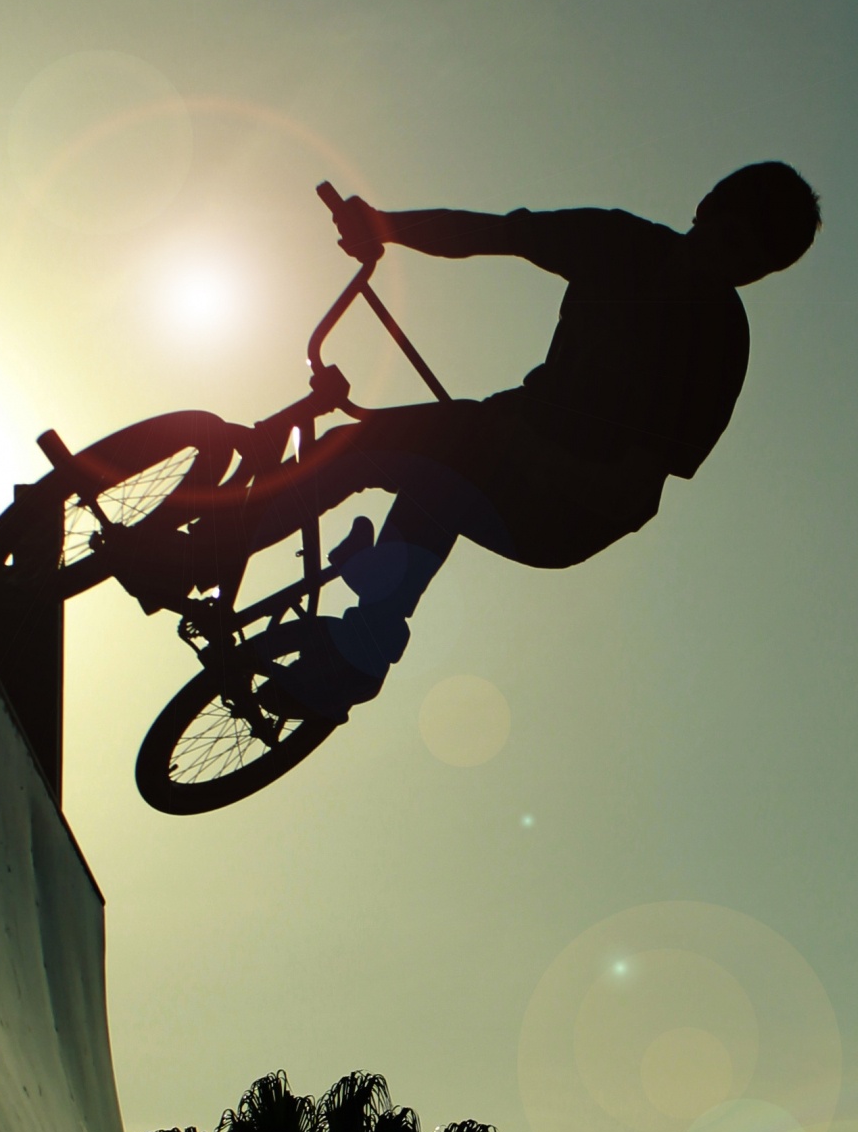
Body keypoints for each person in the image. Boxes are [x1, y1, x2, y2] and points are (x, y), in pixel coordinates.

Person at [245, 165, 821, 718]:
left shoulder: (719, 345)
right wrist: (385, 225)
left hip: (562, 514)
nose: (725, 269)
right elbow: (495, 233)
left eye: (751, 267)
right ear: (706, 210)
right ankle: (336, 576)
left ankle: (352, 642)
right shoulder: (620, 242)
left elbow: (635, 496)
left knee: (402, 462)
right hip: (501, 436)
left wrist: (534, 454)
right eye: (729, 241)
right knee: (380, 455)